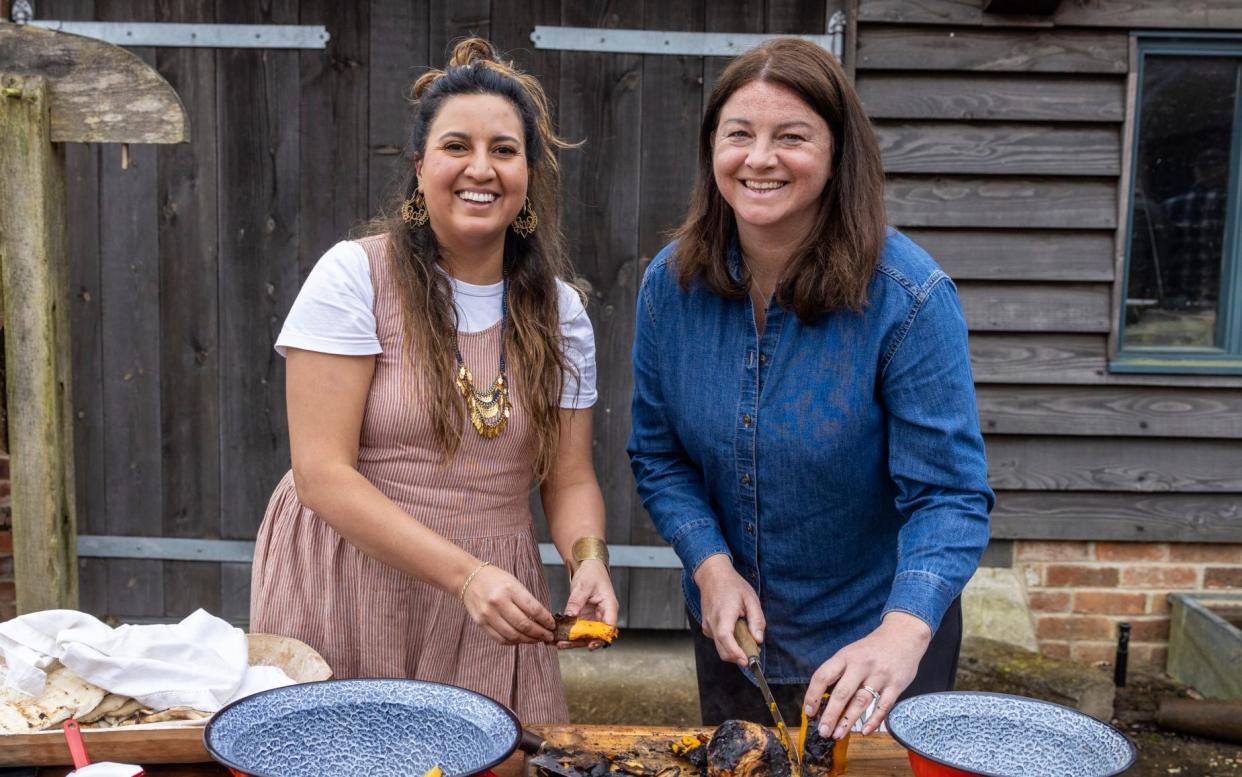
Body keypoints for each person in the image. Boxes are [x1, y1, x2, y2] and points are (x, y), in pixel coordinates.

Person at [627, 38, 992, 741]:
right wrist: (708, 562)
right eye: (740, 134)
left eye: (791, 137)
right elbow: (657, 454)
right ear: (713, 150)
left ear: (836, 154)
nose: (759, 158)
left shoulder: (909, 299)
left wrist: (902, 631)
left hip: (874, 647)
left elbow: (949, 495)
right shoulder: (668, 288)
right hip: (736, 639)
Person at [250, 38, 618, 724]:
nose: (481, 168)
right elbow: (320, 474)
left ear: (528, 175)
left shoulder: (561, 312)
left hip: (489, 593)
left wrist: (587, 558)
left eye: (505, 151)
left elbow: (568, 477)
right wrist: (465, 575)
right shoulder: (353, 276)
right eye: (457, 146)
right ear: (420, 169)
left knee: (491, 758)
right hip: (353, 575)